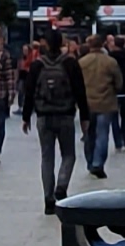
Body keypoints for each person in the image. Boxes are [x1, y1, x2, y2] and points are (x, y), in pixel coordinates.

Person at [25, 39, 87, 207]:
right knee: (68, 154)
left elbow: (29, 90)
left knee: (47, 157)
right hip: (65, 115)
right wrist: (84, 116)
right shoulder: (70, 63)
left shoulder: (37, 65)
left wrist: (26, 116)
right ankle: (62, 184)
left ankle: (48, 198)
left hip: (43, 116)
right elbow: (80, 91)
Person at [76, 36, 124, 178]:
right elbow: (119, 83)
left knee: (89, 134)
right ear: (102, 44)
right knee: (102, 134)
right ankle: (98, 162)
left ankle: (90, 162)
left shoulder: (82, 62)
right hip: (106, 103)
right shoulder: (110, 62)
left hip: (87, 104)